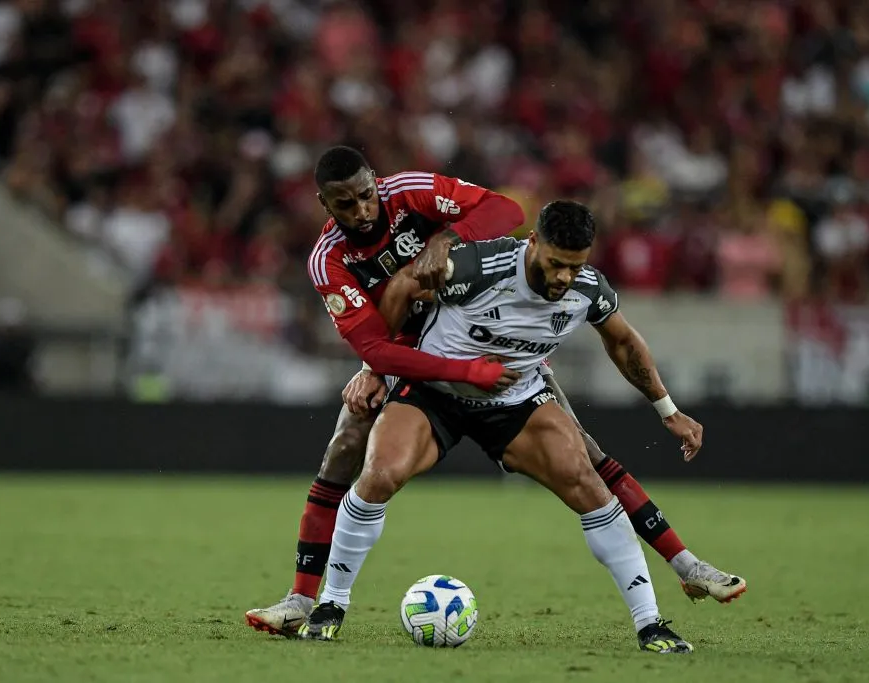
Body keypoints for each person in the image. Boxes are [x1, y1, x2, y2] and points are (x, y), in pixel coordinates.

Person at [245, 150, 745, 637]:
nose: (360, 210)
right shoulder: (329, 258)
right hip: (404, 351)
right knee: (349, 448)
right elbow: (385, 321)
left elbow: (505, 209)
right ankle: (304, 601)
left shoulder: (412, 195)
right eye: (344, 204)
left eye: (364, 195)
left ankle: (684, 565)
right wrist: (388, 367)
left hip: (501, 366)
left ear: (375, 181)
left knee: (586, 464)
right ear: (324, 205)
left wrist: (447, 238)